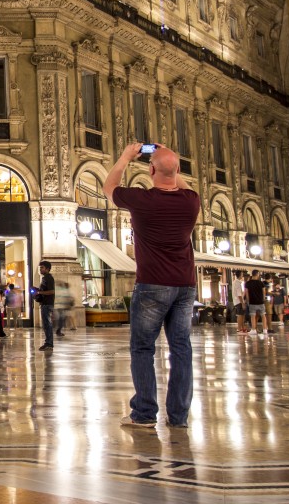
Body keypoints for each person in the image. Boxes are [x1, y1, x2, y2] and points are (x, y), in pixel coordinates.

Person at [104, 143, 200, 429]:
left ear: (151, 170)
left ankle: (145, 414)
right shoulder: (191, 201)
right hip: (185, 286)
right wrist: (170, 156)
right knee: (181, 348)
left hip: (152, 285)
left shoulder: (142, 200)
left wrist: (124, 157)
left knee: (143, 349)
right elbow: (181, 185)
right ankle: (179, 416)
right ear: (179, 171)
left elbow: (109, 187)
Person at [35, 261, 55, 350]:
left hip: (47, 304)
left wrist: (39, 292)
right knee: (46, 324)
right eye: (40, 268)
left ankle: (49, 343)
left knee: (47, 324)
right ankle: (48, 342)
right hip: (44, 304)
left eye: (42, 268)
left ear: (47, 269)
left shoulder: (49, 278)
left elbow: (52, 291)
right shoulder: (44, 278)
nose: (40, 269)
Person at [244, 270, 268, 338]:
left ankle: (253, 329)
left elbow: (247, 293)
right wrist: (263, 299)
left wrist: (248, 301)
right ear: (257, 274)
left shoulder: (247, 283)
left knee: (253, 316)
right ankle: (265, 329)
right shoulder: (261, 283)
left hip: (252, 302)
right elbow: (264, 292)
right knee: (263, 315)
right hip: (260, 302)